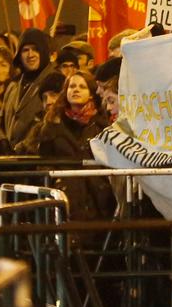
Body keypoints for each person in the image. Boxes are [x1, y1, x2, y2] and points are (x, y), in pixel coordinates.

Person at [39, 71, 115, 219]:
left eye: (82, 86)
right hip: (65, 196)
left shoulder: (102, 125)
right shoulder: (52, 124)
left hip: (98, 198)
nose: (76, 89)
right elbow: (44, 161)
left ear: (91, 93)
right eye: (72, 86)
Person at [0, 28, 53, 152]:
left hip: (35, 160)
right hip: (8, 163)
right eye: (25, 50)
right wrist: (1, 141)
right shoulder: (13, 84)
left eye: (35, 49)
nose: (30, 55)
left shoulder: (55, 81)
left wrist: (23, 147)